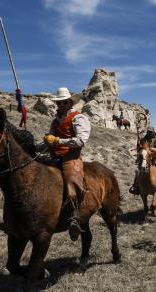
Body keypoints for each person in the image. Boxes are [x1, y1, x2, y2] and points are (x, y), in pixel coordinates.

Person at [43, 87, 91, 241]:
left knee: (71, 181)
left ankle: (74, 217)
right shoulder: (55, 120)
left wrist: (58, 141)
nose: (61, 105)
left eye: (64, 103)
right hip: (53, 155)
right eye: (59, 103)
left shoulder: (79, 118)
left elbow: (81, 140)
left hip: (71, 157)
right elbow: (50, 140)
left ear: (70, 102)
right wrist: (39, 145)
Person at [129, 127, 156, 194]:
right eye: (148, 131)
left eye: (151, 132)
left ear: (153, 132)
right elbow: (140, 148)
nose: (149, 133)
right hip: (146, 157)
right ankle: (135, 186)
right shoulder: (144, 139)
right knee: (137, 170)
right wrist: (139, 145)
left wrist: (155, 149)